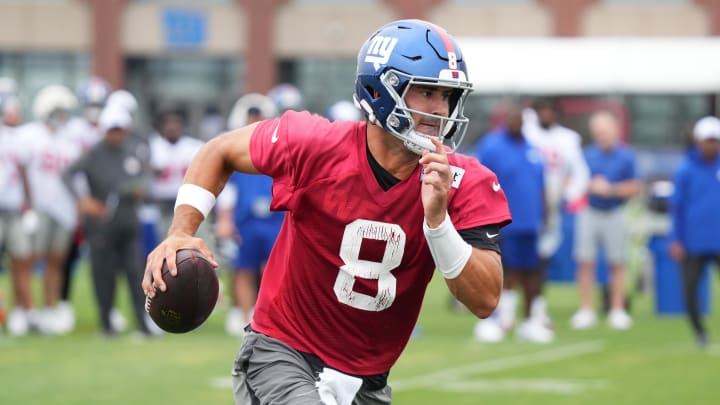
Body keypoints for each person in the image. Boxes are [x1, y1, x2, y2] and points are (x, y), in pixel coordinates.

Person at [143, 19, 510, 404]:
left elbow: (485, 300)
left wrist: (437, 223)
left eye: (448, 96)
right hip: (283, 353)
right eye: (426, 92)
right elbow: (219, 150)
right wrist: (181, 231)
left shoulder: (463, 180)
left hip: (369, 379)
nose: (441, 109)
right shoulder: (317, 146)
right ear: (379, 90)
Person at [62, 106, 157, 337]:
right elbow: (67, 174)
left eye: (120, 130)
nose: (117, 134)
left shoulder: (133, 150)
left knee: (136, 273)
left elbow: (144, 178)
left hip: (128, 221)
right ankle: (106, 324)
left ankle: (142, 323)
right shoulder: (94, 153)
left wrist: (139, 189)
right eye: (113, 130)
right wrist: (83, 202)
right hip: (102, 225)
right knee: (103, 274)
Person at [473, 105, 549, 343]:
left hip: (530, 222)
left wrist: (544, 214)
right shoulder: (492, 146)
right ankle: (500, 321)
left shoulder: (531, 148)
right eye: (512, 118)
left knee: (532, 272)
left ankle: (530, 321)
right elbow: (478, 180)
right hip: (503, 221)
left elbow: (540, 185)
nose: (517, 122)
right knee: (505, 272)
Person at [17, 84, 81, 335]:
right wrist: (27, 205)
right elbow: (20, 173)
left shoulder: (70, 140)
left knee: (56, 260)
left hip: (63, 209)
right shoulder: (28, 135)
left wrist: (76, 208)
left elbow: (76, 180)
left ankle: (48, 309)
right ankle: (26, 310)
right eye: (58, 111)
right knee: (28, 259)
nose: (62, 116)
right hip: (38, 208)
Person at [215, 93, 280, 336]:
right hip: (246, 220)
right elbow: (228, 189)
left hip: (275, 218)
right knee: (243, 269)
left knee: (274, 270)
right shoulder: (236, 149)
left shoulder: (280, 147)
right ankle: (245, 317)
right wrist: (224, 219)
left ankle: (270, 318)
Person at [523, 97, 590, 327]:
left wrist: (568, 195)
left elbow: (580, 172)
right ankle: (506, 308)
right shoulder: (527, 133)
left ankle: (536, 307)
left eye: (550, 111)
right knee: (513, 258)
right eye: (542, 110)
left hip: (551, 200)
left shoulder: (567, 139)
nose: (546, 115)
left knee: (542, 257)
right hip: (524, 200)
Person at [570, 111, 641, 330]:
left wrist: (611, 189)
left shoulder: (627, 155)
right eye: (598, 132)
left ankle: (617, 309)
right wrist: (591, 186)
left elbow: (635, 187)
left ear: (615, 130)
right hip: (589, 211)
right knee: (585, 261)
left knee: (617, 262)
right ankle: (586, 309)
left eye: (605, 131)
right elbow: (575, 182)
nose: (601, 135)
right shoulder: (586, 155)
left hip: (615, 213)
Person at [669, 115, 720, 347]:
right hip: (693, 240)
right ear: (698, 141)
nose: (711, 145)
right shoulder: (686, 168)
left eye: (715, 140)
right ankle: (699, 333)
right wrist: (677, 239)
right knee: (690, 289)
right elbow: (677, 206)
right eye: (708, 140)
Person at [0, 91, 35, 336]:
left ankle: (23, 311)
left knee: (21, 259)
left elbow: (24, 174)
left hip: (13, 208)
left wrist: (28, 205)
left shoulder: (20, 138)